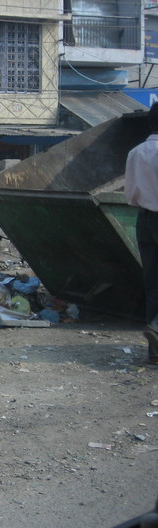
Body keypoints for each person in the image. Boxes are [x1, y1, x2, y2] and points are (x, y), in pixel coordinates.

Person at [125, 101, 158, 365]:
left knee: (153, 285)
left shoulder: (136, 152)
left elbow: (130, 194)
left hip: (144, 221)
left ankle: (154, 353)